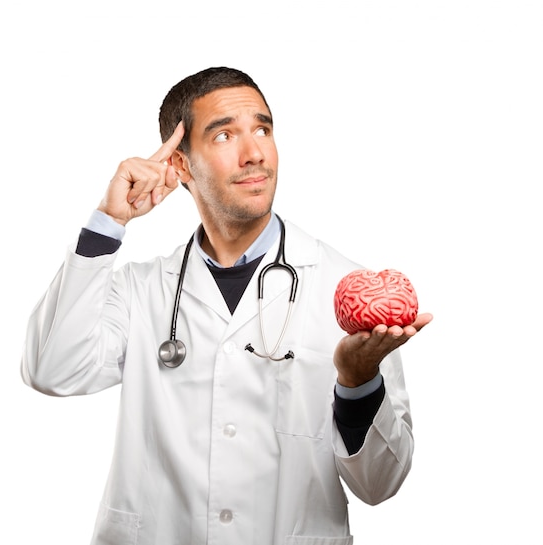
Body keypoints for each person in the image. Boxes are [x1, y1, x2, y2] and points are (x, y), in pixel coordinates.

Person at [21, 66, 432, 545]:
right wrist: (109, 222)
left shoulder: (344, 289)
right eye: (224, 135)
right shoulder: (142, 289)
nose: (255, 152)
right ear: (179, 165)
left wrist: (358, 383)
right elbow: (51, 369)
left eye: (263, 129)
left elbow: (381, 484)